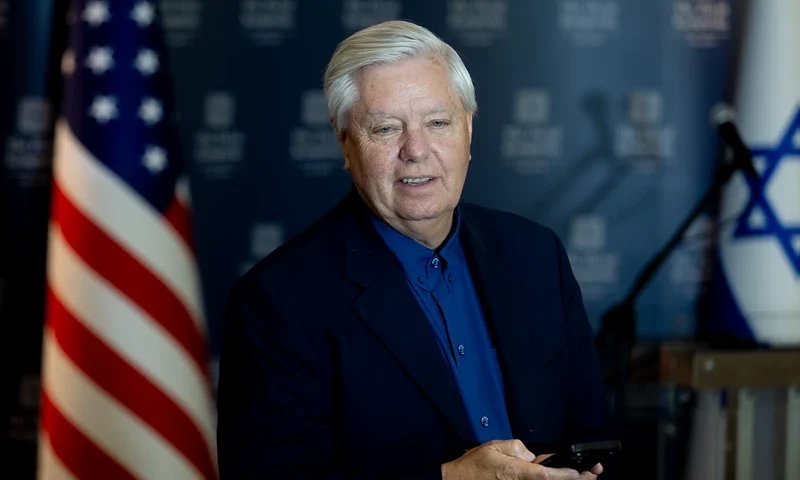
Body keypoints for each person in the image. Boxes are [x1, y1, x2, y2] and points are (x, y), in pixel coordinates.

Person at [217, 20, 614, 479]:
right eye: (386, 129)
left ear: (468, 128)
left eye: (438, 122)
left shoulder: (536, 256)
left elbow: (596, 438)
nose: (416, 150)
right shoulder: (276, 303)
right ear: (345, 141)